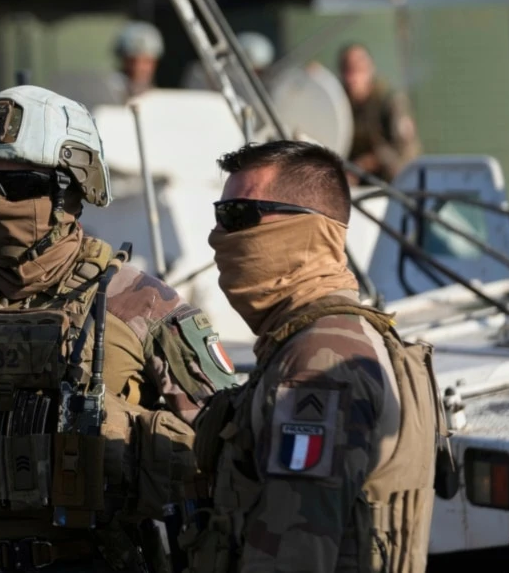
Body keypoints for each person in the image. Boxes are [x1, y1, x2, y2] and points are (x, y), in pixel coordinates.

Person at [0, 85, 237, 573]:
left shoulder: (140, 303)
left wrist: (136, 447)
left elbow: (229, 449)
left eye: (21, 185)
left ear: (71, 191)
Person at [184, 140, 443, 572]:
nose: (219, 236)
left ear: (308, 229)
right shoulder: (327, 339)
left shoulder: (321, 362)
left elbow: (294, 555)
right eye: (220, 215)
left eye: (239, 216)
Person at [339, 43, 421, 184]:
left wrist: (364, 164)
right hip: (356, 178)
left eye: (358, 70)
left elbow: (402, 149)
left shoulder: (389, 101)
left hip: (395, 179)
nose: (352, 79)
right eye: (348, 71)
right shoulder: (341, 100)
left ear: (370, 70)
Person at [112, 21, 164, 101]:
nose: (138, 68)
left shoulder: (163, 99)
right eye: (131, 61)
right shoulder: (108, 95)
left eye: (146, 61)